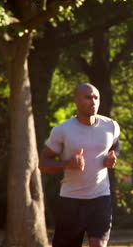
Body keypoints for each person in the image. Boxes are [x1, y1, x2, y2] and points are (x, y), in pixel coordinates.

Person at [39, 83, 120, 247]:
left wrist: (112, 158)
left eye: (96, 98)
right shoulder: (62, 130)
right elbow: (43, 163)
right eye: (88, 97)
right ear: (76, 101)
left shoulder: (111, 126)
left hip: (100, 198)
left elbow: (115, 146)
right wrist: (67, 163)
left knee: (97, 244)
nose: (93, 102)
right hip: (71, 200)